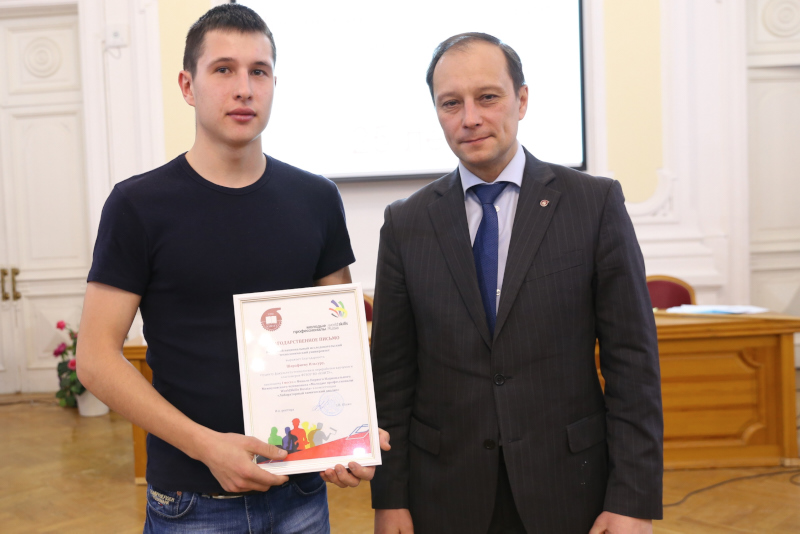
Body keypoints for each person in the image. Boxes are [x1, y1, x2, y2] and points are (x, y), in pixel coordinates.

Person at [76, 5, 387, 533]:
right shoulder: (137, 206)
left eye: (258, 71)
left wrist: (346, 436)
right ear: (188, 85)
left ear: (273, 85)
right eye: (223, 69)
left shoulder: (316, 198)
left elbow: (338, 341)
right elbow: (95, 358)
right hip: (192, 502)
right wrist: (207, 446)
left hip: (301, 497)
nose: (244, 88)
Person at [369, 33, 663, 534]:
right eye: (451, 103)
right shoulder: (406, 223)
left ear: (521, 100)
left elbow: (632, 364)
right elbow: (392, 377)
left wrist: (632, 501)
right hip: (444, 495)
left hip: (571, 487)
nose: (470, 118)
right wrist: (389, 498)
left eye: (487, 97)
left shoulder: (593, 204)